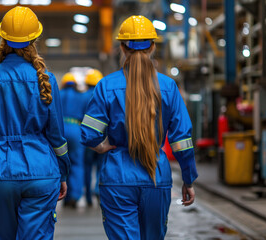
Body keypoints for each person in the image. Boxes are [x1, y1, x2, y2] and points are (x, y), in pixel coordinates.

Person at [80, 15, 198, 239]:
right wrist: (188, 178)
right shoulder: (168, 87)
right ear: (152, 46)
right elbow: (182, 140)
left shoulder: (106, 85)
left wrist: (103, 147)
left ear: (122, 47)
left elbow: (89, 134)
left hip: (117, 178)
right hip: (156, 176)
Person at [0, 6, 70, 240]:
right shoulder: (46, 80)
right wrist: (62, 173)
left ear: (3, 37)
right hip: (42, 172)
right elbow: (57, 136)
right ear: (35, 38)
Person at [60, 72, 86, 208]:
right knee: (76, 163)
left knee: (61, 163)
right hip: (76, 128)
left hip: (59, 130)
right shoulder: (81, 97)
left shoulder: (57, 94)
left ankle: (63, 194)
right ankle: (75, 196)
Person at [82, 69, 104, 206]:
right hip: (103, 138)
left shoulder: (83, 96)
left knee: (87, 166)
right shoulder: (103, 96)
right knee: (101, 166)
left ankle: (88, 197)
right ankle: (98, 191)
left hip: (87, 138)